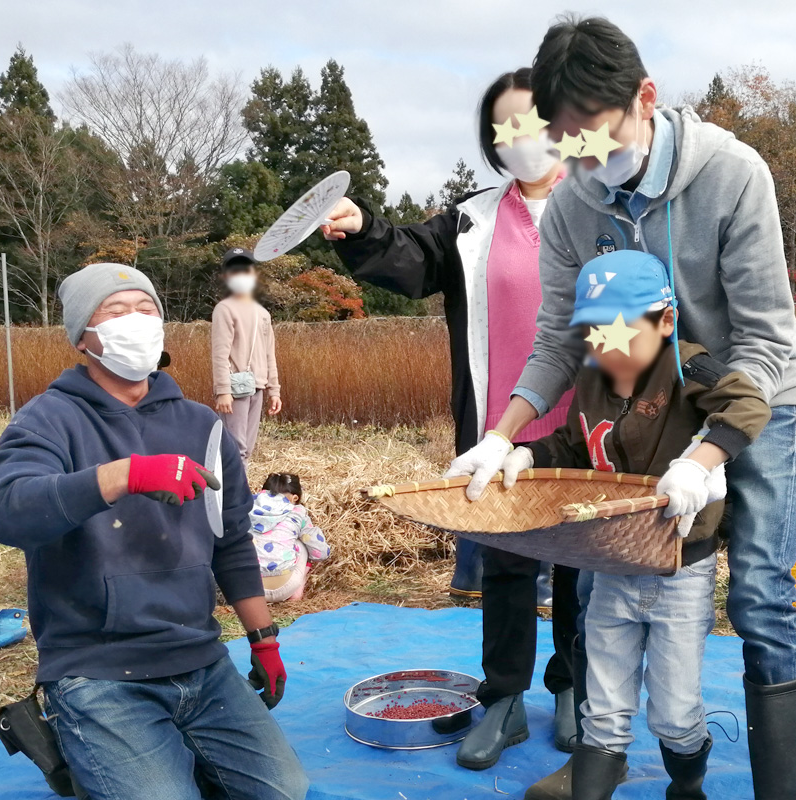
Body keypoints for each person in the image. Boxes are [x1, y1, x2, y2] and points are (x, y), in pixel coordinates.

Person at [448, 18, 796, 799]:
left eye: (596, 132)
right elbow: (558, 342)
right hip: (645, 409)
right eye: (566, 138)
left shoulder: (733, 174)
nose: (582, 155)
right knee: (605, 573)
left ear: (645, 98)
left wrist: (708, 456)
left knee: (756, 590)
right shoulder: (577, 204)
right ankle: (600, 750)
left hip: (756, 395)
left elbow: (762, 342)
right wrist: (502, 435)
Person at [320, 69, 581, 770]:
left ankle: (575, 689)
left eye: (537, 120)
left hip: (585, 420)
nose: (523, 138)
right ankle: (503, 699)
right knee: (507, 564)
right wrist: (359, 230)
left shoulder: (601, 207)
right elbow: (408, 259)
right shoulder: (473, 218)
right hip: (500, 424)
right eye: (506, 127)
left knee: (585, 563)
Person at [0, 263, 308, 800]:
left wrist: (264, 639)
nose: (135, 321)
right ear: (83, 336)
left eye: (146, 309)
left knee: (284, 790)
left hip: (198, 658)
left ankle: (171, 753)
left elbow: (230, 541)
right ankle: (80, 739)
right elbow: (6, 512)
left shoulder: (202, 426)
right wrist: (122, 476)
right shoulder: (47, 420)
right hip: (96, 667)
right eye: (115, 311)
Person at [512, 250, 770, 799]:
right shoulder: (593, 379)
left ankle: (687, 784)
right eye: (596, 334)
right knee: (602, 708)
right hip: (611, 564)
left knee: (674, 713)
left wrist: (697, 464)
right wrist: (523, 454)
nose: (610, 347)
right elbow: (578, 441)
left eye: (626, 332)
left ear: (666, 321)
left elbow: (747, 405)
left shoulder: (687, 365)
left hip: (680, 567)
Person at [212, 247, 281, 463]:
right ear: (226, 277)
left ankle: (238, 492)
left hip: (258, 387)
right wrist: (223, 391)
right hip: (235, 388)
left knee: (247, 449)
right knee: (235, 448)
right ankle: (233, 496)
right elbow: (220, 354)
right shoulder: (224, 309)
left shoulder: (263, 313)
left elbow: (270, 353)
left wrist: (274, 390)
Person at [251, 473, 330, 603]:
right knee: (302, 541)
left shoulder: (249, 506)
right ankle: (296, 592)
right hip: (285, 587)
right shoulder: (297, 511)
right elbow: (319, 553)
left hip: (249, 589)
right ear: (295, 497)